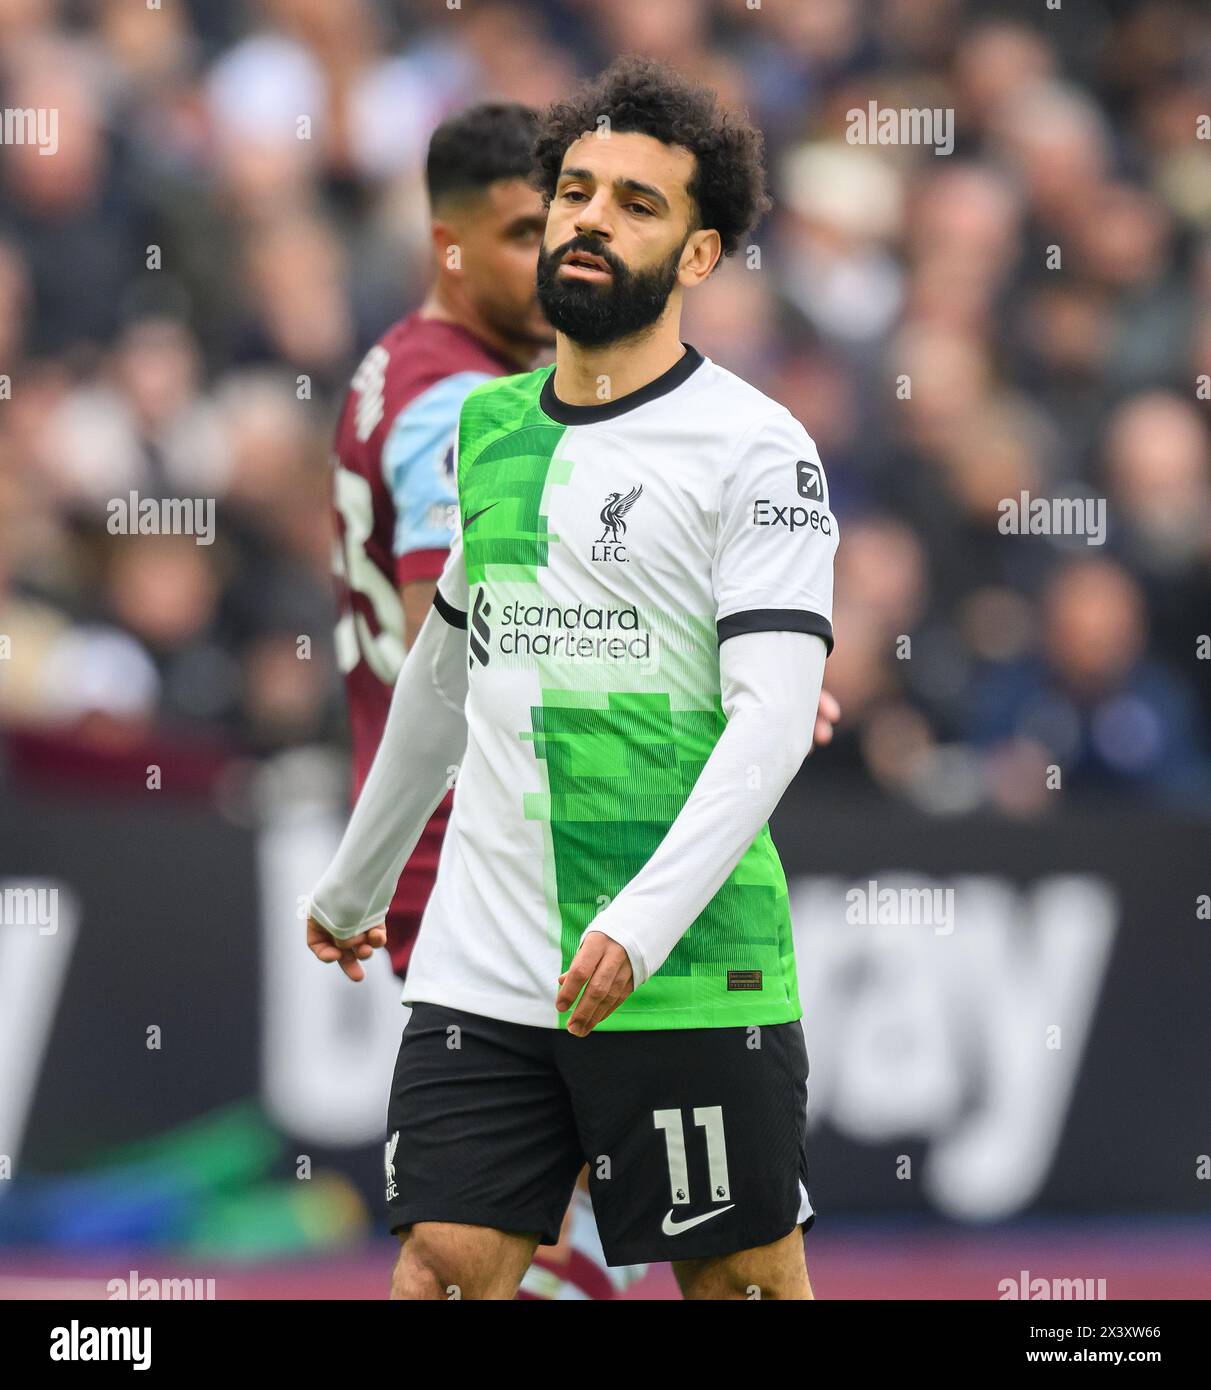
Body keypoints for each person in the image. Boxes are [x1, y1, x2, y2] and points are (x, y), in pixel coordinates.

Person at [310, 57, 840, 1300]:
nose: (591, 217)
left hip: (686, 961)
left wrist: (637, 925)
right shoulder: (490, 425)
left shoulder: (757, 447)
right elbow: (441, 672)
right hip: (483, 956)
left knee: (744, 1286)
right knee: (441, 1267)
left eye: (636, 204)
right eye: (574, 191)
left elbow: (769, 723)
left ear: (699, 257)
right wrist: (358, 877)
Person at [330, 102, 628, 1298]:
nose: (557, 254)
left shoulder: (409, 366)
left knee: (519, 1236)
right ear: (446, 244)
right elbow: (453, 648)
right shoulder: (454, 410)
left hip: (470, 857)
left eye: (563, 221)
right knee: (533, 1240)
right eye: (522, 231)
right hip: (492, 866)